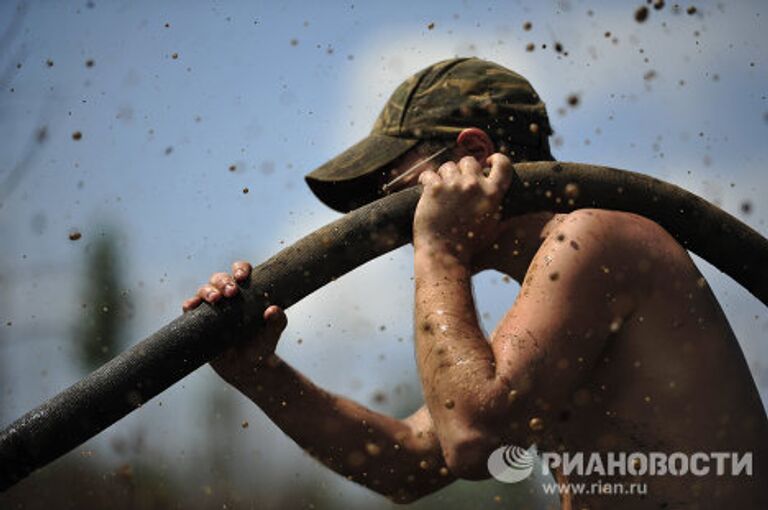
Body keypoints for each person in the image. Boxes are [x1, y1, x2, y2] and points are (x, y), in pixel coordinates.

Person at [182, 58, 768, 508]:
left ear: (474, 154)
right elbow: (409, 464)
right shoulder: (560, 284)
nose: (395, 225)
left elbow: (472, 438)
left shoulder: (596, 240)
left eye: (395, 194)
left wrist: (439, 249)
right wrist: (261, 375)